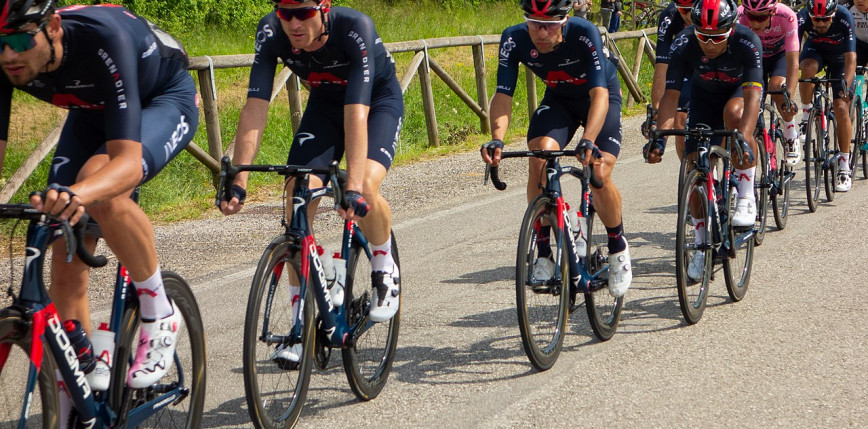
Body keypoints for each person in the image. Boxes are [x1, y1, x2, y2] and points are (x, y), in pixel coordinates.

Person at [0, 0, 198, 423]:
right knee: (59, 241)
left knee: (100, 189)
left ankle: (159, 309)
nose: (8, 55)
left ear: (53, 27)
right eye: (0, 43)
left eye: (19, 39)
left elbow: (124, 164)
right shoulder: (7, 58)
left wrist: (77, 194)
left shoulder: (102, 38)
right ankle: (85, 371)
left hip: (161, 97)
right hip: (90, 110)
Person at [219, 0, 403, 363]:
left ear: (324, 9)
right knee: (296, 199)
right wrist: (239, 178)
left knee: (364, 186)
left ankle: (384, 265)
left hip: (374, 103)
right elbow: (255, 106)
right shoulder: (270, 31)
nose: (293, 23)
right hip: (324, 105)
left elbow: (356, 113)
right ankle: (298, 327)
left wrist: (351, 186)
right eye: (285, 13)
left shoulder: (355, 28)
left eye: (303, 13)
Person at [481, 0, 632, 298]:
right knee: (540, 153)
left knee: (597, 170)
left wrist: (588, 139)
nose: (541, 32)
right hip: (560, 100)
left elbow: (600, 93)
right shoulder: (513, 38)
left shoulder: (584, 32)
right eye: (534, 23)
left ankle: (618, 247)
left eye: (549, 25)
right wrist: (497, 138)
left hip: (599, 99)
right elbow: (503, 94)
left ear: (564, 22)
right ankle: (543, 253)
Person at [650, 0, 763, 281]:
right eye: (704, 36)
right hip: (703, 98)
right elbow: (671, 97)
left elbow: (753, 98)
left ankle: (746, 195)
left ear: (731, 28)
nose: (710, 44)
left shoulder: (747, 41)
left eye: (716, 37)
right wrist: (660, 139)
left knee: (736, 118)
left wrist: (744, 138)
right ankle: (701, 244)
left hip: (737, 94)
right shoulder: (684, 42)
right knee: (694, 166)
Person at [797, 0, 856, 191]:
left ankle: (844, 166)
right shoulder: (802, 16)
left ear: (833, 15)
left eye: (825, 19)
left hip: (840, 58)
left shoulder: (845, 16)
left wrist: (845, 86)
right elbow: (793, 51)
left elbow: (851, 57)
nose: (821, 24)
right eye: (816, 20)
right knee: (807, 69)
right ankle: (806, 116)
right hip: (815, 52)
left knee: (840, 107)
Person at [738, 0, 801, 164]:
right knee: (751, 96)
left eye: (761, 17)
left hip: (779, 56)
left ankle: (790, 131)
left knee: (777, 86)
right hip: (754, 58)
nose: (754, 22)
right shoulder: (738, 16)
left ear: (772, 12)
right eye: (751, 16)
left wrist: (789, 98)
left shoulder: (787, 16)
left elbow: (793, 62)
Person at [646, 0, 694, 164]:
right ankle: (691, 173)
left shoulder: (716, 11)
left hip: (715, 65)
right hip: (685, 64)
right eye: (682, 9)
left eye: (690, 10)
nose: (686, 15)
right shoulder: (670, 15)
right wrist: (657, 115)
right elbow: (661, 69)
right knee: (680, 120)